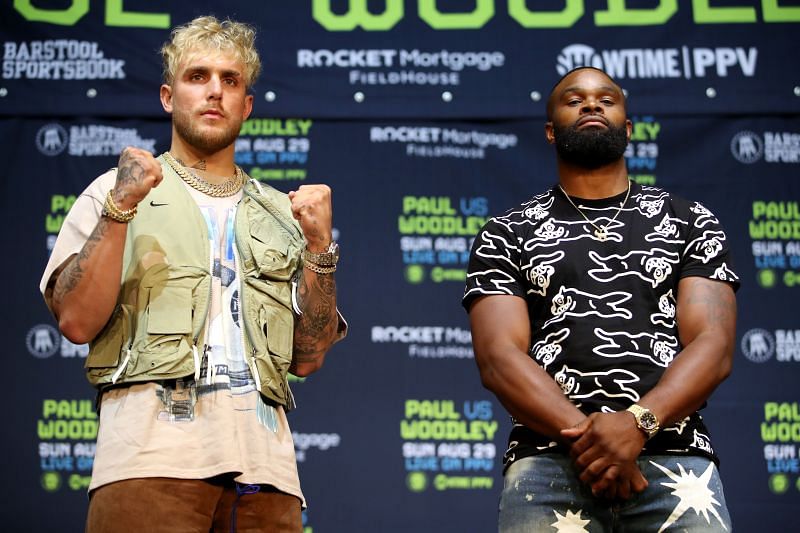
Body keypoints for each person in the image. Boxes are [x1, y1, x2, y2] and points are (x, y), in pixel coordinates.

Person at [40, 16, 345, 532]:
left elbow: (308, 358)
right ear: (167, 96)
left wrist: (319, 249)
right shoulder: (115, 192)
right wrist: (120, 207)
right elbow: (74, 321)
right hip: (147, 466)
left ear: (246, 106)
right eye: (197, 76)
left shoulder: (282, 213)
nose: (214, 92)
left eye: (230, 81)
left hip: (267, 478)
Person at [463, 66, 739, 532]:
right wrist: (599, 442)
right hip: (548, 464)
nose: (592, 105)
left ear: (628, 129)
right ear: (551, 132)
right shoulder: (507, 231)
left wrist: (637, 424)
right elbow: (498, 358)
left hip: (675, 459)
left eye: (606, 99)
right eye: (574, 100)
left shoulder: (689, 220)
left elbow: (713, 345)